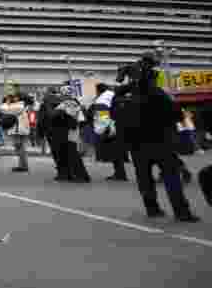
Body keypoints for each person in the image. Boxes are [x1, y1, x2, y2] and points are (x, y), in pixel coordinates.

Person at [111, 53, 199, 222]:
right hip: (161, 142)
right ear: (152, 78)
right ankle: (181, 212)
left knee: (144, 178)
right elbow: (177, 115)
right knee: (171, 177)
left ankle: (152, 209)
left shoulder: (121, 96)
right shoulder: (158, 94)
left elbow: (114, 116)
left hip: (136, 145)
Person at [39, 86, 90, 182]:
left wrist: (41, 132)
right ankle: (74, 174)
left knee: (63, 153)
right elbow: (82, 117)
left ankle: (73, 175)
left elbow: (48, 116)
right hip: (71, 130)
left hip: (58, 130)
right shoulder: (75, 101)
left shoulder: (51, 102)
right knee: (70, 152)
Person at [91, 83, 129, 181]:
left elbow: (102, 116)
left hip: (111, 128)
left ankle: (120, 174)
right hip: (123, 126)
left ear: (98, 90)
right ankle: (120, 173)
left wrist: (104, 130)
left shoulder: (101, 99)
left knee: (114, 152)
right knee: (118, 152)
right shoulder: (114, 96)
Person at [1, 94, 30, 172]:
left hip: (18, 130)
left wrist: (7, 103)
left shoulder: (18, 106)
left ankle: (23, 166)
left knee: (19, 147)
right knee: (20, 147)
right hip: (20, 129)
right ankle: (22, 165)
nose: (13, 98)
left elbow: (4, 109)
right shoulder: (20, 106)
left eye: (15, 97)